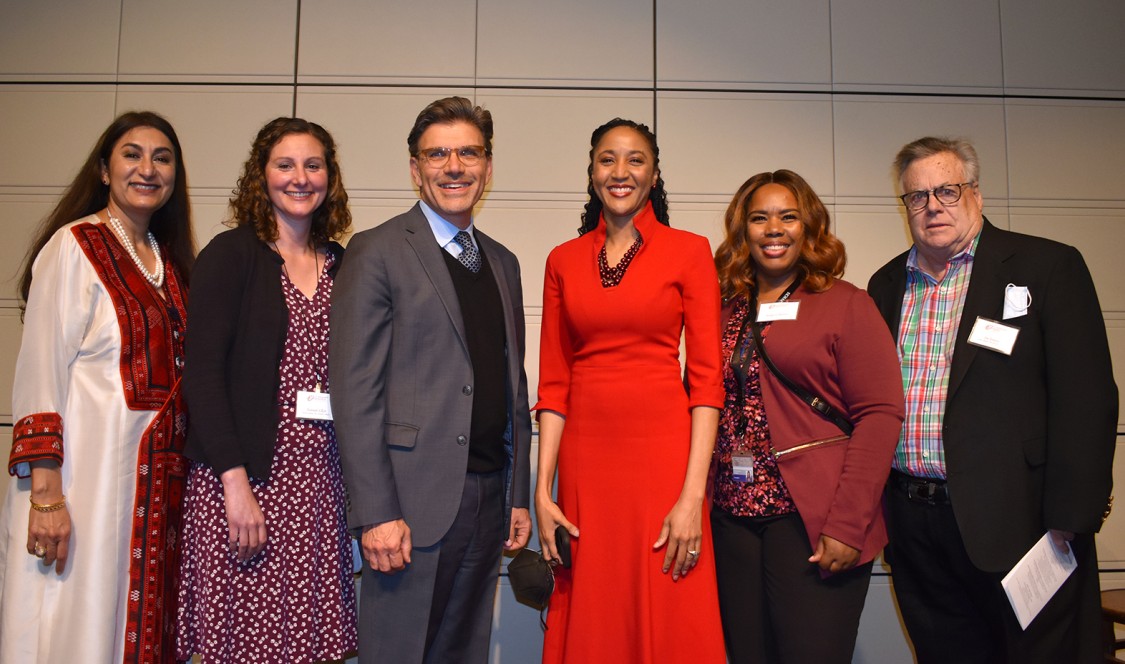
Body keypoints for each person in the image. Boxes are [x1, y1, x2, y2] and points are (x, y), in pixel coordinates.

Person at [867, 136, 1118, 664]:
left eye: (947, 190)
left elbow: (1087, 397)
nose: (932, 205)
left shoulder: (1045, 266)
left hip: (1022, 524)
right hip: (916, 526)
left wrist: (1072, 516)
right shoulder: (886, 284)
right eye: (917, 196)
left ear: (975, 193)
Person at [330, 96, 532, 664]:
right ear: (415, 169)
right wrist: (375, 512)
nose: (454, 166)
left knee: (463, 652)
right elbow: (355, 392)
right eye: (437, 154)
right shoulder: (375, 251)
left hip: (488, 498)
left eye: (469, 152)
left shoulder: (503, 262)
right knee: (399, 652)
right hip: (409, 505)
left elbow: (510, 385)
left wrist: (518, 494)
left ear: (488, 167)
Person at [0, 111, 194, 663]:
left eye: (162, 158)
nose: (147, 169)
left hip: (154, 487)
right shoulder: (75, 245)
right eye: (132, 154)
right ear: (104, 170)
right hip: (84, 483)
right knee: (77, 622)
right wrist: (46, 498)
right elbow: (40, 372)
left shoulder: (172, 264)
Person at [533, 118, 726, 663]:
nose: (621, 172)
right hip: (585, 465)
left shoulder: (690, 251)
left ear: (655, 173)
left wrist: (693, 495)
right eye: (608, 159)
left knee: (668, 601)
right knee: (594, 604)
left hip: (663, 462)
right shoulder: (561, 260)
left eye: (635, 159)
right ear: (592, 171)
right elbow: (553, 385)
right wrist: (542, 493)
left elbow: (708, 383)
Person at [174, 117, 356, 662]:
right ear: (262, 175)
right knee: (246, 645)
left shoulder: (342, 265)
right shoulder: (232, 255)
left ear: (330, 177)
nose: (300, 178)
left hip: (319, 485)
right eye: (285, 164)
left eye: (313, 165)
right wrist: (235, 484)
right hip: (247, 481)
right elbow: (202, 375)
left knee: (308, 643)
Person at [709, 170, 904, 663]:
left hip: (812, 518)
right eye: (759, 218)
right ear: (742, 230)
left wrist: (847, 525)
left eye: (788, 216)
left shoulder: (845, 303)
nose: (773, 228)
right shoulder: (725, 307)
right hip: (734, 517)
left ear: (809, 226)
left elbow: (880, 415)